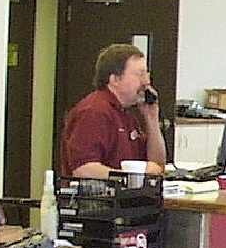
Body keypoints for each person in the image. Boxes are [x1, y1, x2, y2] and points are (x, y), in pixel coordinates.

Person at [60, 44, 166, 179]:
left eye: (147, 74)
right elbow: (84, 169)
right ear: (115, 79)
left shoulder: (125, 114)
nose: (146, 82)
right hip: (98, 198)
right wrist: (131, 177)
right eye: (140, 74)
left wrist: (151, 119)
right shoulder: (94, 111)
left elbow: (157, 165)